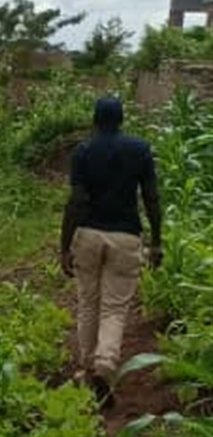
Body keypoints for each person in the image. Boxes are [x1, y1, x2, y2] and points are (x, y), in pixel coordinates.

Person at [60, 96, 162, 408]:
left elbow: (77, 200)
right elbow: (151, 197)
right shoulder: (140, 150)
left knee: (88, 302)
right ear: (121, 120)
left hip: (89, 235)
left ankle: (87, 366)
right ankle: (104, 366)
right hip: (126, 236)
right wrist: (157, 240)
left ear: (94, 120)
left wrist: (64, 244)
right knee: (115, 309)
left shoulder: (83, 152)